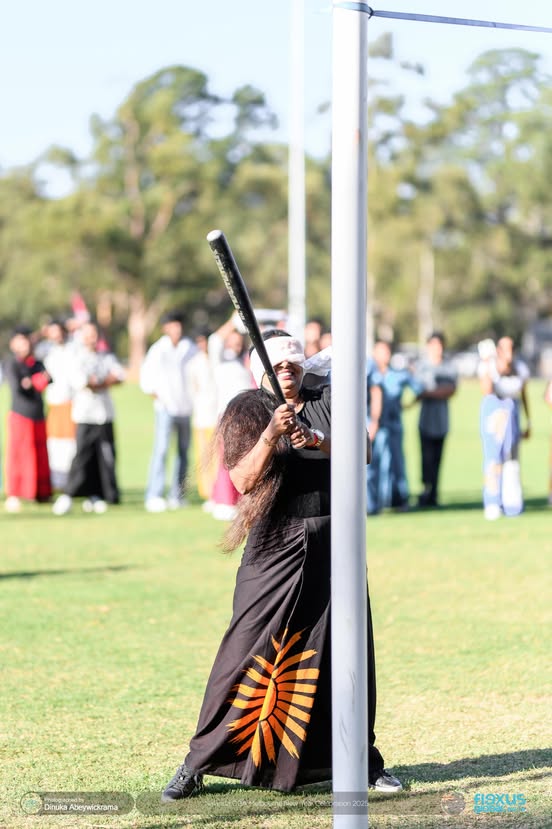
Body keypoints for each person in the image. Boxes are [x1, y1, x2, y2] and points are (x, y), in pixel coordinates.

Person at [161, 329, 402, 801]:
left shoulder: (328, 396)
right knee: (242, 653)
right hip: (274, 545)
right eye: (279, 365)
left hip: (337, 538)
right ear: (262, 369)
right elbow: (243, 480)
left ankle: (363, 761)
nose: (288, 370)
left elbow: (366, 450)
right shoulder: (247, 409)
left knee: (348, 653)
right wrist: (272, 434)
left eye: (294, 362)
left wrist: (315, 437)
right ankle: (197, 762)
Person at [52, 322, 125, 515]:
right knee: (82, 456)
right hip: (85, 414)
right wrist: (103, 381)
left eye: (94, 334)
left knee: (105, 456)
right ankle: (69, 494)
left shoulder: (105, 357)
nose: (91, 338)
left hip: (105, 415)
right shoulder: (77, 358)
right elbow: (85, 383)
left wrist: (102, 381)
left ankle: (98, 494)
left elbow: (118, 377)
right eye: (88, 335)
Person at [140, 310, 197, 512]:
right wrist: (160, 399)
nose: (177, 329)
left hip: (185, 406)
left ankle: (177, 494)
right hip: (165, 407)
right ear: (165, 328)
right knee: (162, 449)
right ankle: (154, 494)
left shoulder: (189, 347)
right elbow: (146, 380)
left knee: (183, 452)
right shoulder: (158, 350)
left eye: (179, 324)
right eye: (173, 325)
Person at [366, 340, 423, 514]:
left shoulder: (399, 375)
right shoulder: (368, 372)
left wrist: (406, 406)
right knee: (372, 463)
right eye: (381, 351)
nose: (385, 355)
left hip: (393, 425)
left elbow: (419, 390)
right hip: (373, 425)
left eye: (387, 351)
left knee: (397, 463)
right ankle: (372, 503)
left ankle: (399, 499)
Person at [478, 336, 530, 519]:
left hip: (512, 419)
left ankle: (512, 504)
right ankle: (492, 502)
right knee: (493, 461)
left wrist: (528, 421)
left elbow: (523, 394)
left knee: (512, 462)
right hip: (494, 418)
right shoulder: (488, 367)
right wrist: (489, 365)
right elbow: (486, 390)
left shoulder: (521, 368)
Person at [3, 326, 52, 511]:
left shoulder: (36, 363)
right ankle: (15, 493)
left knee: (39, 454)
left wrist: (32, 382)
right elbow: (19, 388)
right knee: (19, 455)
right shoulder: (12, 363)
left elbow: (48, 379)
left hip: (38, 414)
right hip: (21, 415)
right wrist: (34, 382)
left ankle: (40, 492)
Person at [415, 332, 458, 508]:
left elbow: (451, 390)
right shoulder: (422, 366)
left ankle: (434, 492)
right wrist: (436, 391)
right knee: (426, 457)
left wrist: (431, 393)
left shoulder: (449, 367)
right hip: (426, 420)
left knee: (438, 458)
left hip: (442, 421)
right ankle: (426, 489)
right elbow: (418, 389)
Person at [185, 327, 218, 511]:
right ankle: (207, 493)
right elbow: (192, 391)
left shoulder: (217, 360)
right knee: (204, 456)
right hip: (202, 417)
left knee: (219, 457)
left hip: (217, 416)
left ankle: (218, 493)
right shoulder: (194, 364)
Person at [42, 320, 77, 490]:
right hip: (54, 404)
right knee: (55, 444)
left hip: (72, 404)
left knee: (71, 444)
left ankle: (73, 480)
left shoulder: (74, 350)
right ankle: (57, 481)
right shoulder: (47, 352)